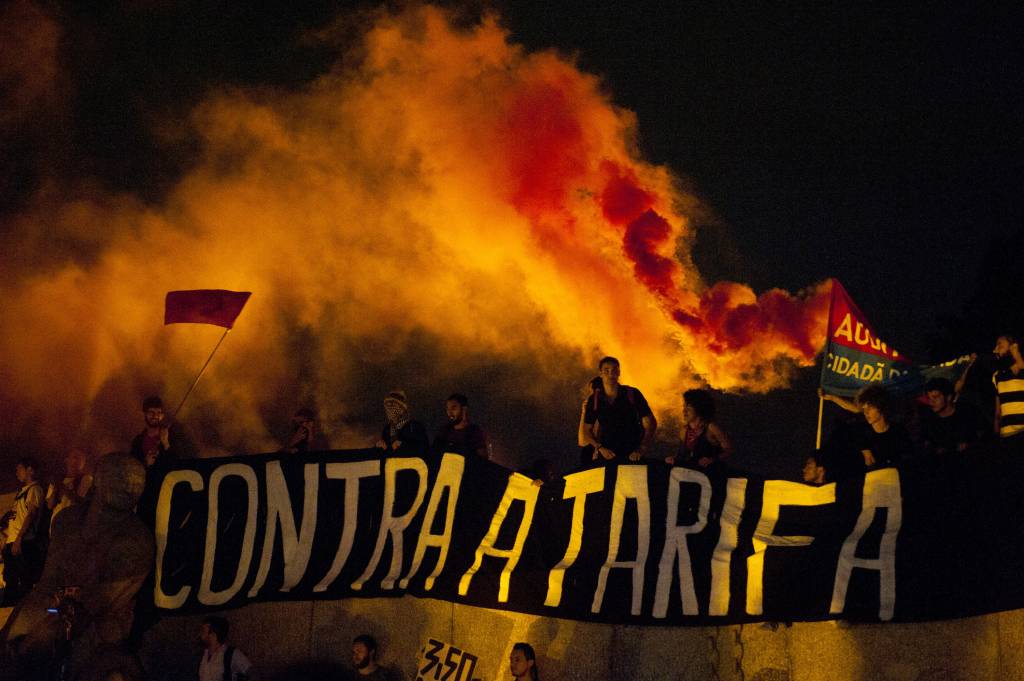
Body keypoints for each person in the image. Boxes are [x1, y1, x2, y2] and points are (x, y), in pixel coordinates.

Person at [1, 453, 153, 681]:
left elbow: (105, 601)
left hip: (97, 624)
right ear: (101, 478)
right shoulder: (67, 521)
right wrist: (47, 609)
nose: (132, 484)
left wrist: (63, 617)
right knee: (16, 638)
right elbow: (48, 581)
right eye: (123, 476)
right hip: (54, 606)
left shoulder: (136, 540)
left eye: (137, 479)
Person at [129, 396, 195, 525]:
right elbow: (131, 469)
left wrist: (166, 445)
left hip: (168, 497)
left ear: (163, 416)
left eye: (159, 413)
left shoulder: (172, 437)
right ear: (144, 414)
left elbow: (179, 464)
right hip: (145, 498)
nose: (155, 416)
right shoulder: (137, 442)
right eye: (151, 412)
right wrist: (145, 464)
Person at [579, 357, 657, 464]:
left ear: (619, 372)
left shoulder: (632, 394)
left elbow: (651, 423)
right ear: (600, 373)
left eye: (614, 370)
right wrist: (601, 448)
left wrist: (641, 449)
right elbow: (586, 430)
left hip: (633, 456)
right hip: (607, 457)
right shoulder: (594, 400)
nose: (611, 374)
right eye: (606, 371)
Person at [1, 457, 46, 605]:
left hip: (23, 542)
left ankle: (20, 610)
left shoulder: (34, 489)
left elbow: (31, 515)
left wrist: (19, 539)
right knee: (10, 577)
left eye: (19, 469)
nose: (16, 472)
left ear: (30, 470)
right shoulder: (22, 492)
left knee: (22, 578)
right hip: (13, 541)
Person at [916, 377, 986, 456]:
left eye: (935, 397)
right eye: (929, 398)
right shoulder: (929, 421)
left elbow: (984, 432)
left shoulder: (967, 411)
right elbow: (926, 445)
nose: (931, 402)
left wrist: (971, 444)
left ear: (948, 397)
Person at [665, 389, 733, 469]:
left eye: (688, 408)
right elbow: (682, 454)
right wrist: (673, 459)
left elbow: (728, 449)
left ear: (699, 409)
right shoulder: (684, 430)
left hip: (711, 473)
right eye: (684, 407)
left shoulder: (711, 428)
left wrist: (712, 460)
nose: (684, 411)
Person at [46, 448, 94, 529]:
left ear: (83, 463)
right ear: (66, 460)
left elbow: (80, 503)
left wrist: (62, 486)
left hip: (73, 528)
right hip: (56, 527)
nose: (76, 461)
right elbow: (50, 506)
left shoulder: (86, 479)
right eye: (74, 457)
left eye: (80, 458)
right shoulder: (58, 479)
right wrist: (55, 488)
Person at [433, 393, 489, 458]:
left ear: (464, 409)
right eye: (447, 409)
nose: (449, 413)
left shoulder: (474, 432)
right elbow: (434, 453)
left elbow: (483, 458)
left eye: (453, 408)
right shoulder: (444, 431)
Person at [198, 616, 252, 681]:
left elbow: (253, 673)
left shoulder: (231, 653)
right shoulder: (203, 654)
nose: (200, 634)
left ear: (213, 635)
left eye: (203, 631)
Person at [376, 390, 430, 455]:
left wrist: (402, 445)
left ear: (402, 409)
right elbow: (386, 453)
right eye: (387, 406)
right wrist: (380, 446)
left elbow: (424, 449)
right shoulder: (387, 429)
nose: (390, 410)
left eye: (393, 406)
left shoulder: (415, 426)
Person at [992, 333, 1024, 441]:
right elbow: (998, 412)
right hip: (1007, 434)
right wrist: (997, 435)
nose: (996, 349)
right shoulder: (997, 376)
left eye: (1000, 345)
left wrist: (1016, 354)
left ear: (1013, 346)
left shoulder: (1021, 368)